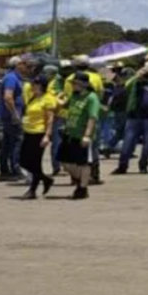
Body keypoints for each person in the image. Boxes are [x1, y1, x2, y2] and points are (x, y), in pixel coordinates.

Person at [113, 64, 148, 175]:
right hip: (134, 117)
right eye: (146, 69)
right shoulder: (135, 83)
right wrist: (137, 75)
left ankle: (143, 165)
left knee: (147, 145)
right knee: (127, 143)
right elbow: (126, 86)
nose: (147, 71)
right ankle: (122, 166)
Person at [57, 72, 99, 200]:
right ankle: (82, 179)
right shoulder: (74, 96)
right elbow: (65, 105)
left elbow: (92, 118)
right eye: (73, 83)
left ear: (84, 84)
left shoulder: (91, 98)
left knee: (82, 163)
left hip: (81, 135)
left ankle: (82, 188)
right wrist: (59, 99)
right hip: (69, 133)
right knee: (64, 162)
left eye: (75, 83)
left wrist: (87, 135)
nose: (73, 86)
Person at [19, 75, 56, 199]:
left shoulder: (48, 99)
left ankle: (32, 190)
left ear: (41, 85)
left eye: (35, 84)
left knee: (35, 162)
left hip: (39, 133)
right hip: (28, 131)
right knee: (23, 160)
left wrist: (47, 135)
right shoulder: (33, 97)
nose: (32, 86)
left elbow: (50, 119)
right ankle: (45, 179)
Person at [0, 57, 29, 181]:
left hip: (9, 116)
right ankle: (15, 169)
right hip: (12, 117)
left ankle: (5, 170)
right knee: (16, 142)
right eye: (24, 64)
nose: (26, 67)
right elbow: (8, 97)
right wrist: (15, 114)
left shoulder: (13, 77)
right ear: (18, 65)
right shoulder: (11, 78)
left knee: (7, 143)